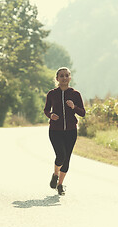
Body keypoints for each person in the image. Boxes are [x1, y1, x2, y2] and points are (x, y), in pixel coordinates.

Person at [44, 67, 85, 195]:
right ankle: (55, 174)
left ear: (70, 78)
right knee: (60, 155)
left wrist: (74, 107)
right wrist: (50, 115)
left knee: (67, 158)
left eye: (66, 75)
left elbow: (82, 113)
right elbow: (46, 109)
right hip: (55, 130)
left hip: (71, 131)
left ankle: (60, 185)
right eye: (61, 76)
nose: (64, 78)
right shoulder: (52, 94)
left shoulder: (75, 94)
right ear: (57, 79)